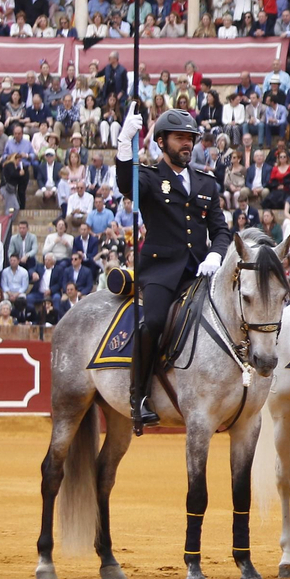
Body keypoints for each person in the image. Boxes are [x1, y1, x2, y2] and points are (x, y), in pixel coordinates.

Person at [113, 108, 234, 434]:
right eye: (179, 138)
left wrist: (216, 255)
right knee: (152, 322)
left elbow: (221, 230)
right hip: (162, 272)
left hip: (201, 273)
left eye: (190, 139)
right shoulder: (150, 178)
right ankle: (138, 396)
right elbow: (127, 185)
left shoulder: (206, 183)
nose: (186, 144)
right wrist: (125, 144)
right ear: (162, 141)